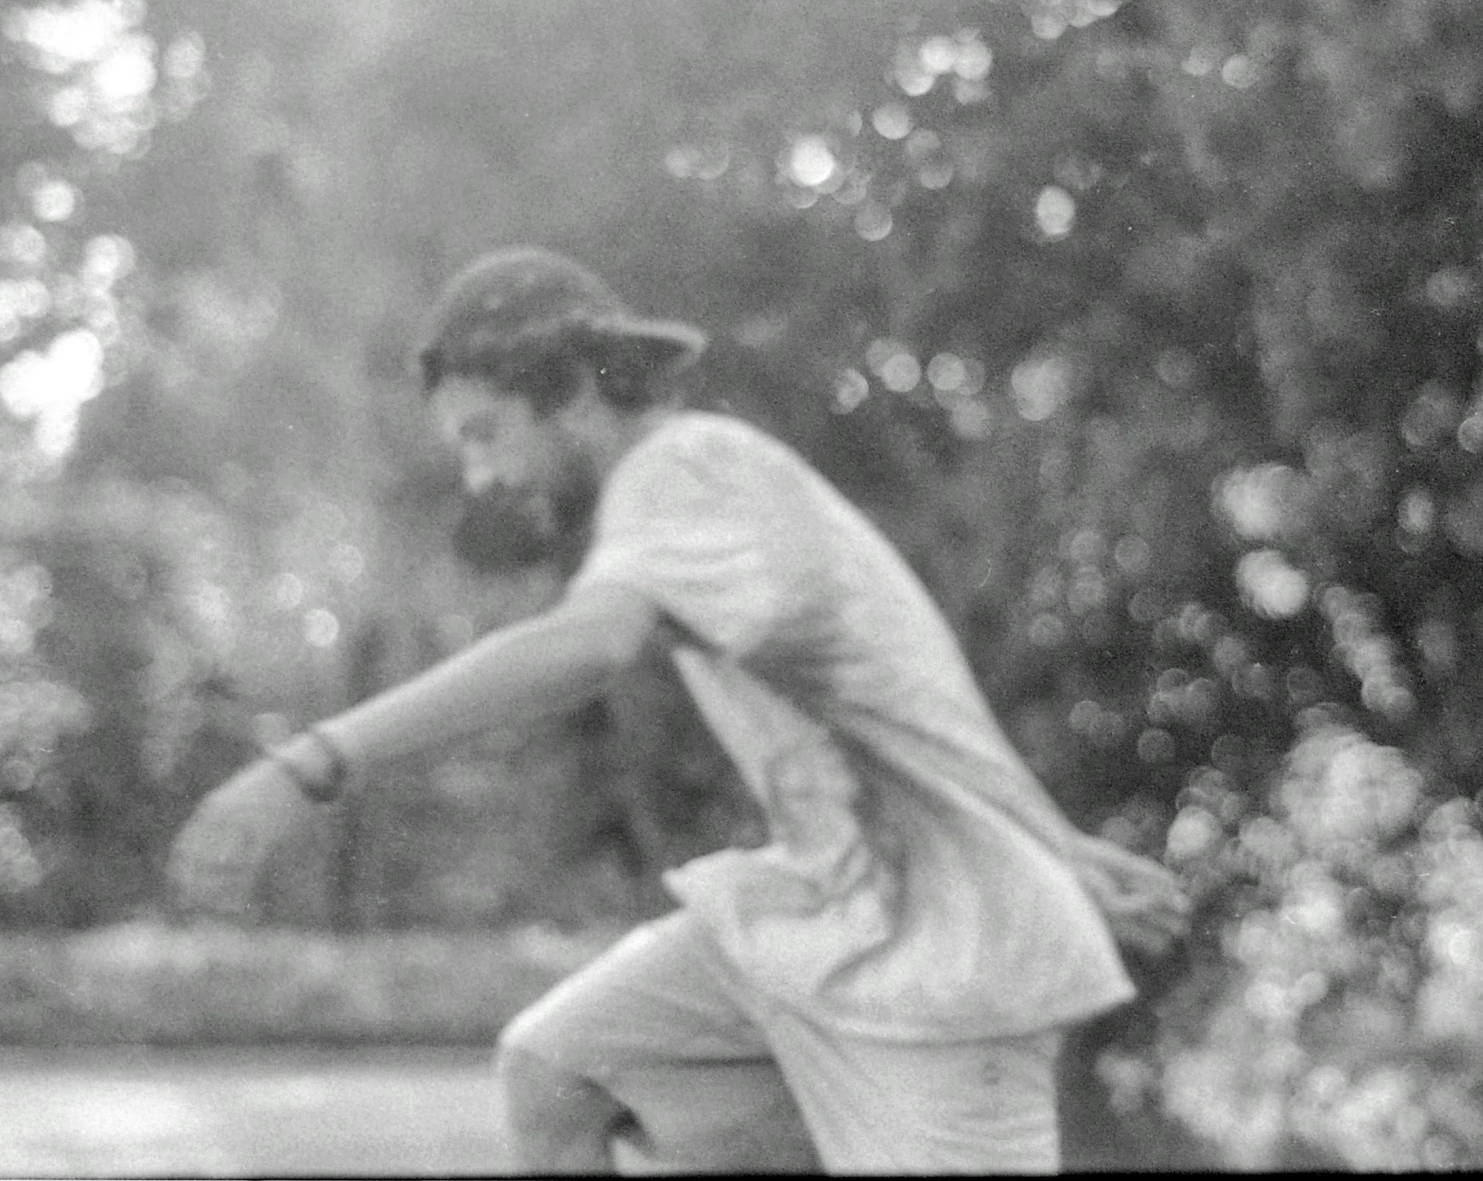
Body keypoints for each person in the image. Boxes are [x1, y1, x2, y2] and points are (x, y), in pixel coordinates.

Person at [167, 245, 1189, 1174]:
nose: (483, 476)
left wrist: (309, 762)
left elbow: (584, 645)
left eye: (486, 434)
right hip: (826, 916)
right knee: (560, 1071)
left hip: (943, 966)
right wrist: (1054, 844)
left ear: (567, 392)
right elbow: (904, 698)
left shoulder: (686, 464)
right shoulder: (691, 489)